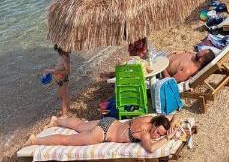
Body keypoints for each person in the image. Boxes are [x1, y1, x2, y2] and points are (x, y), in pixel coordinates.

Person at [29, 114, 174, 151]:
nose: (158, 135)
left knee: (80, 125)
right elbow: (151, 148)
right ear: (154, 125)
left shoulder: (150, 118)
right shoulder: (145, 134)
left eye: (160, 135)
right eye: (158, 132)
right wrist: (169, 138)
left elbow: (174, 116)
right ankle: (35, 140)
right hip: (103, 133)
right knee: (67, 141)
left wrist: (168, 128)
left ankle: (56, 121)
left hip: (110, 121)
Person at [42, 46, 70, 116]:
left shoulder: (64, 58)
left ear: (60, 50)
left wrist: (51, 71)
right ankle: (67, 108)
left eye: (57, 50)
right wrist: (51, 71)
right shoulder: (63, 56)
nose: (57, 52)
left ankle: (64, 115)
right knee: (63, 96)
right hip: (60, 80)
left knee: (63, 97)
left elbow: (67, 72)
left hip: (62, 81)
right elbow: (60, 69)